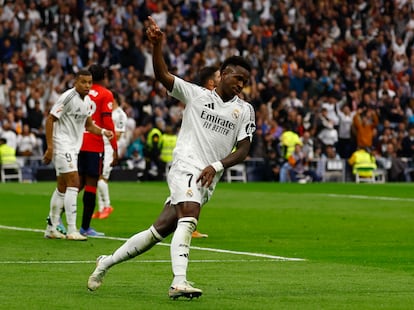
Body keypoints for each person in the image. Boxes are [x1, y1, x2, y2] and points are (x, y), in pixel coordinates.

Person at [87, 16, 256, 299]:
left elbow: (244, 149)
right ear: (223, 74)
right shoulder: (197, 95)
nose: (241, 84)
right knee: (189, 217)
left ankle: (106, 262)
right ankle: (179, 281)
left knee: (158, 231)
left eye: (246, 81)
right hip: (185, 166)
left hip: (207, 176)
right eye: (238, 78)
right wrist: (157, 46)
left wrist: (217, 165)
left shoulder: (245, 110)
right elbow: (163, 76)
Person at [43, 70, 114, 241]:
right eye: (83, 82)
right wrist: (50, 146)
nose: (87, 86)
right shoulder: (67, 97)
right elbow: (50, 119)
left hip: (73, 147)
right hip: (62, 145)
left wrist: (103, 131)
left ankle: (51, 228)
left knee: (61, 188)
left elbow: (89, 126)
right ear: (75, 82)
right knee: (74, 182)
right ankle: (72, 230)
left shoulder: (88, 101)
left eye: (89, 82)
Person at [78, 64, 119, 237]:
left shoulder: (81, 92)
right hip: (94, 144)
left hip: (77, 142)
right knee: (91, 184)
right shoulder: (105, 94)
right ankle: (85, 227)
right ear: (104, 76)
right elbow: (107, 123)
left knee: (75, 184)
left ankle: (54, 219)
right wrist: (115, 148)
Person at [93, 92, 127, 220]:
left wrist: (101, 134)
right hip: (100, 146)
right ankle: (101, 209)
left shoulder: (120, 115)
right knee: (97, 177)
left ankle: (107, 205)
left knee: (102, 177)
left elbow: (118, 135)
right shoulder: (106, 112)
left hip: (109, 148)